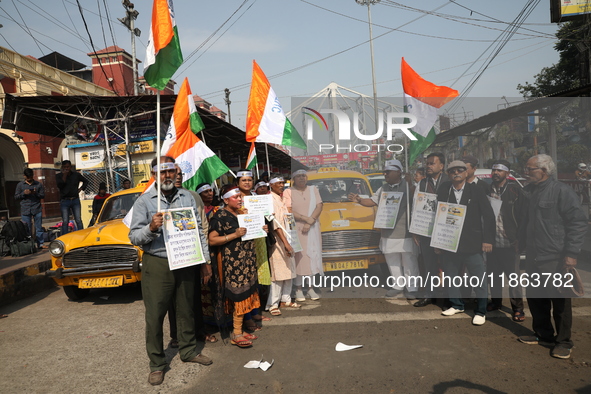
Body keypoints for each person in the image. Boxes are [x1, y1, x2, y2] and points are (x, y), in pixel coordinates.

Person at [128, 156, 212, 386]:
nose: (167, 176)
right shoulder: (144, 202)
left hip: (186, 259)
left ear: (176, 173)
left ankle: (188, 351)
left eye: (170, 171)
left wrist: (206, 261)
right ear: (154, 174)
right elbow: (134, 236)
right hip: (158, 262)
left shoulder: (187, 197)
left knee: (186, 310)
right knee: (155, 315)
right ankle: (157, 363)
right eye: (161, 171)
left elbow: (199, 233)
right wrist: (151, 227)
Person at [518, 154, 587, 359]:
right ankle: (543, 334)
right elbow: (527, 221)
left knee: (560, 302)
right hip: (533, 255)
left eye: (530, 169)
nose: (526, 172)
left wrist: (571, 254)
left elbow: (577, 223)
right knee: (536, 297)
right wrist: (520, 242)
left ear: (544, 171)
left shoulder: (561, 192)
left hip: (555, 257)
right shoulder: (529, 191)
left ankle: (564, 341)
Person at [349, 160, 420, 299]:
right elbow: (372, 201)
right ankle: (398, 285)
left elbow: (416, 198)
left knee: (409, 261)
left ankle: (412, 288)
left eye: (388, 171)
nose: (385, 174)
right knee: (392, 260)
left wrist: (410, 183)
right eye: (385, 171)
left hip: (406, 232)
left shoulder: (408, 186)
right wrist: (359, 200)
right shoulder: (383, 188)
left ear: (398, 172)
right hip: (388, 232)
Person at [436, 160, 495, 326]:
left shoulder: (476, 190)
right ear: (448, 174)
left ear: (466, 172)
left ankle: (481, 311)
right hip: (449, 241)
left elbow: (489, 216)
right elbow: (437, 215)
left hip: (473, 243)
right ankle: (457, 304)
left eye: (460, 170)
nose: (456, 172)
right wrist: (437, 241)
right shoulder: (444, 190)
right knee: (451, 275)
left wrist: (487, 240)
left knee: (478, 278)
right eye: (452, 170)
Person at [208, 184, 266, 348]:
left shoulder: (242, 213)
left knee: (247, 293)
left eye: (240, 196)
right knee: (239, 296)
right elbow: (212, 240)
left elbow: (251, 232)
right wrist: (234, 234)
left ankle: (242, 328)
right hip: (233, 264)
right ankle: (237, 333)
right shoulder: (220, 216)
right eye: (236, 197)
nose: (240, 199)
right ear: (226, 199)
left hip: (247, 261)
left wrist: (261, 229)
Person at [166, 167, 217, 349]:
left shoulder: (193, 196)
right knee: (173, 299)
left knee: (193, 296)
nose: (177, 177)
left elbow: (203, 226)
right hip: (171, 255)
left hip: (192, 253)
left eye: (180, 174)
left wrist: (205, 259)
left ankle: (199, 331)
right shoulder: (160, 197)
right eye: (174, 174)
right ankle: (176, 335)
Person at [484, 160, 528, 322]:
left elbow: (524, 217)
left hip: (511, 244)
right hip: (492, 244)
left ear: (507, 174)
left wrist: (520, 240)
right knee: (494, 277)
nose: (495, 173)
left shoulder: (516, 191)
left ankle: (518, 308)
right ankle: (495, 303)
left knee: (514, 279)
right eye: (494, 170)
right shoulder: (487, 190)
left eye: (500, 171)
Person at [412, 152, 449, 307]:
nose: (428, 166)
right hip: (426, 230)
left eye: (432, 163)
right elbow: (416, 206)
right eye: (427, 163)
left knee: (448, 265)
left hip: (446, 231)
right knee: (429, 264)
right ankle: (429, 294)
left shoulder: (450, 181)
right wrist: (415, 229)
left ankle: (449, 297)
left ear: (441, 166)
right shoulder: (421, 184)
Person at [283, 169, 324, 302]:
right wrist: (305, 219)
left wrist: (311, 221)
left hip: (312, 228)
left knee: (312, 256)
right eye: (298, 176)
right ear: (294, 178)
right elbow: (288, 210)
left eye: (303, 176)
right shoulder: (288, 192)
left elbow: (319, 206)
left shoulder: (313, 189)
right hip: (297, 228)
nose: (302, 178)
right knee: (300, 258)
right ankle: (299, 288)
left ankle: (310, 288)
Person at [266, 177, 298, 315]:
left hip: (289, 236)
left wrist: (292, 239)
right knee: (277, 273)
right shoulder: (270, 200)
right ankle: (273, 304)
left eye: (282, 183)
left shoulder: (280, 198)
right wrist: (285, 243)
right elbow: (276, 225)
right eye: (278, 183)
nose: (281, 185)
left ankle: (286, 299)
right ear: (271, 185)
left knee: (289, 269)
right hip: (278, 240)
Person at [15, 168, 46, 249]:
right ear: (24, 176)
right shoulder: (20, 185)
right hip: (25, 209)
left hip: (37, 208)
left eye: (31, 177)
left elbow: (42, 195)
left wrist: (36, 193)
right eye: (27, 177)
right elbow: (16, 197)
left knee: (38, 227)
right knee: (27, 228)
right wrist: (24, 193)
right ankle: (30, 245)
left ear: (33, 176)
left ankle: (41, 244)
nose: (29, 179)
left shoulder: (38, 184)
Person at [56, 160, 88, 235]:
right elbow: (60, 185)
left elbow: (86, 181)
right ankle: (65, 236)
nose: (66, 169)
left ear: (70, 167)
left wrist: (81, 189)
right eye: (64, 167)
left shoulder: (76, 175)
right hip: (65, 201)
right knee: (65, 221)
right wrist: (64, 175)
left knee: (78, 219)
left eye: (67, 167)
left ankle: (81, 235)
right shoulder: (58, 176)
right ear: (62, 168)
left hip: (75, 200)